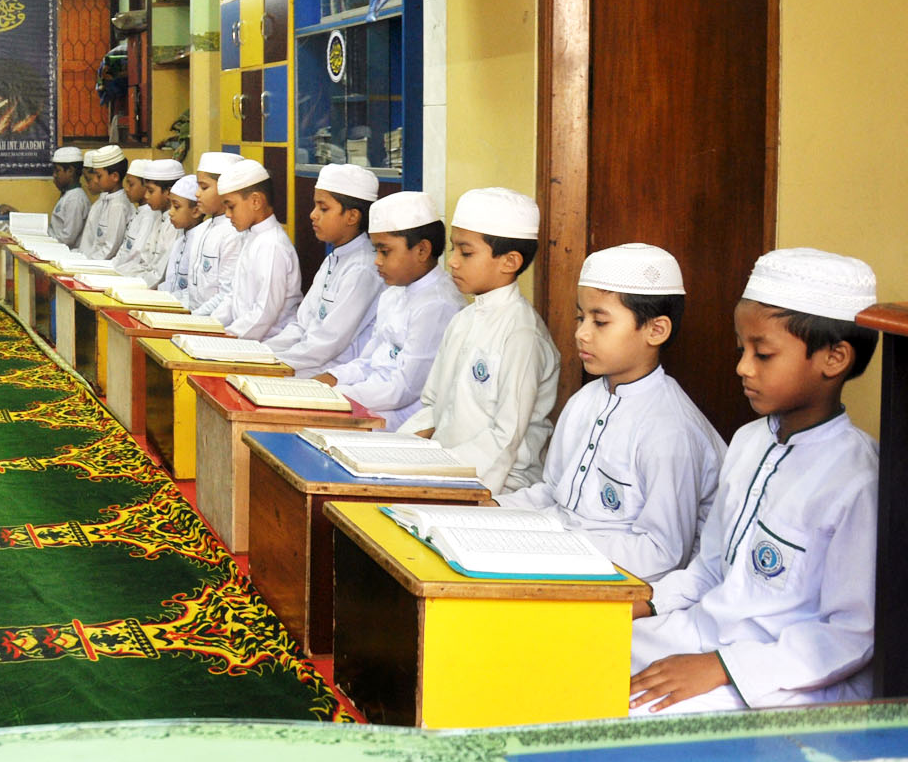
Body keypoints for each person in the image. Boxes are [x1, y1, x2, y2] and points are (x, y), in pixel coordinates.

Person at [630, 248, 880, 714]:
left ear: (834, 358)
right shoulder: (748, 441)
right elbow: (709, 569)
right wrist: (644, 603)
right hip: (700, 632)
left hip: (782, 676)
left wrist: (723, 667)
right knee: (574, 654)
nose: (743, 367)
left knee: (626, 712)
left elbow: (851, 635)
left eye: (763, 354)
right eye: (741, 350)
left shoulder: (858, 479)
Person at [498, 243, 724, 580]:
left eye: (600, 322)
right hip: (557, 553)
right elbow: (552, 494)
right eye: (581, 318)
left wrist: (557, 546)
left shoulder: (670, 430)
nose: (581, 333)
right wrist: (490, 509)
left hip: (621, 581)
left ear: (656, 330)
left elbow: (662, 553)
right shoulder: (584, 401)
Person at [397, 187, 560, 494]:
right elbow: (433, 406)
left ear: (509, 261)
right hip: (445, 469)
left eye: (466, 252)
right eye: (453, 249)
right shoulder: (463, 320)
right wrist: (395, 451)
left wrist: (440, 475)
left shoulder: (522, 334)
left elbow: (506, 439)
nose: (453, 262)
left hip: (499, 486)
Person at [306, 191, 464, 429]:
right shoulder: (393, 293)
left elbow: (403, 390)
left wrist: (336, 395)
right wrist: (331, 379)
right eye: (375, 251)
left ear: (422, 250)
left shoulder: (439, 304)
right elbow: (368, 362)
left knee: (310, 423)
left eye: (385, 251)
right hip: (370, 400)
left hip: (402, 418)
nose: (377, 261)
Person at [265, 164, 386, 376]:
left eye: (323, 208)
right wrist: (261, 353)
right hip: (307, 363)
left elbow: (327, 344)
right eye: (315, 206)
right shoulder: (333, 258)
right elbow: (301, 325)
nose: (313, 215)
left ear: (352, 216)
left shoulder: (363, 268)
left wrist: (271, 363)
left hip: (332, 373)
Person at [210, 158, 303, 340]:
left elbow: (264, 313)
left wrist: (227, 338)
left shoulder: (272, 245)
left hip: (267, 343)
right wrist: (208, 327)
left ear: (255, 201)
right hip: (242, 336)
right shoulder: (252, 237)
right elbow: (234, 298)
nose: (227, 214)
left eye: (231, 206)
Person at [188, 152, 244, 317]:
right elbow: (192, 291)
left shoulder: (234, 233)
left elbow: (227, 295)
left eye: (204, 187)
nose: (197, 193)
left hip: (214, 321)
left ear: (226, 189)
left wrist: (193, 319)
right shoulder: (202, 229)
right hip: (194, 316)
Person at [119, 159, 185, 286]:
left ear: (168, 192)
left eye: (151, 191)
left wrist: (127, 285)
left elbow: (159, 276)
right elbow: (144, 262)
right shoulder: (158, 217)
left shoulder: (175, 226)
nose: (146, 196)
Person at [155, 173, 207, 299]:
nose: (171, 213)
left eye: (176, 207)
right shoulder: (180, 241)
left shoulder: (201, 243)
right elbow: (170, 283)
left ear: (196, 211)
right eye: (171, 206)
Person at [78, 145, 133, 260]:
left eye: (99, 176)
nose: (95, 180)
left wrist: (88, 264)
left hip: (101, 264)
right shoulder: (107, 200)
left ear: (115, 176)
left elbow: (110, 249)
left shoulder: (119, 205)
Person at [109, 159, 155, 270]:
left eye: (131, 184)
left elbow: (136, 255)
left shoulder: (149, 215)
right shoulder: (139, 211)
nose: (127, 189)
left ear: (146, 186)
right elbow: (125, 248)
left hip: (129, 272)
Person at [49, 146, 88, 248]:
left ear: (70, 171)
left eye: (57, 171)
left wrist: (46, 242)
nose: (54, 175)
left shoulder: (75, 199)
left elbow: (67, 239)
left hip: (64, 252)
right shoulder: (68, 194)